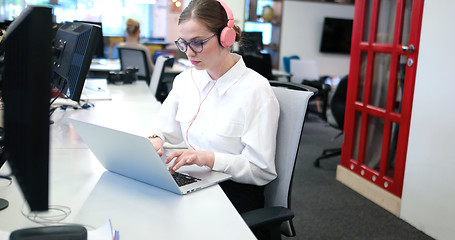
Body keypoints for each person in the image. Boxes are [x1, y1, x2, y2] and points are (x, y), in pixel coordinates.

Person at [148, 0, 279, 216]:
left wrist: (209, 158)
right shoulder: (185, 80)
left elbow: (261, 170)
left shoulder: (256, 90)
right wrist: (155, 138)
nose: (189, 53)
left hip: (232, 190)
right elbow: (162, 127)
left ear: (226, 38)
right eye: (183, 43)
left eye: (198, 43)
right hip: (194, 176)